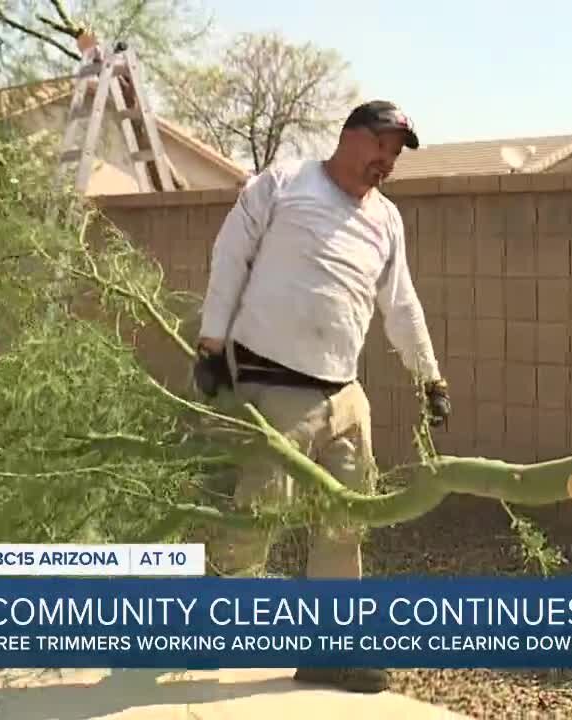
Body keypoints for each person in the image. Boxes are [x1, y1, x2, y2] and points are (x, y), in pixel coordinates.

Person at [192, 100, 450, 694]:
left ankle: (329, 652)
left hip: (344, 394)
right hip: (270, 387)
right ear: (348, 136)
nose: (385, 160)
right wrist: (210, 346)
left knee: (346, 522)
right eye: (379, 145)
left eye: (395, 153)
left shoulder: (386, 220)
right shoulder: (282, 185)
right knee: (254, 520)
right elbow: (229, 258)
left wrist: (429, 377)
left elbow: (401, 305)